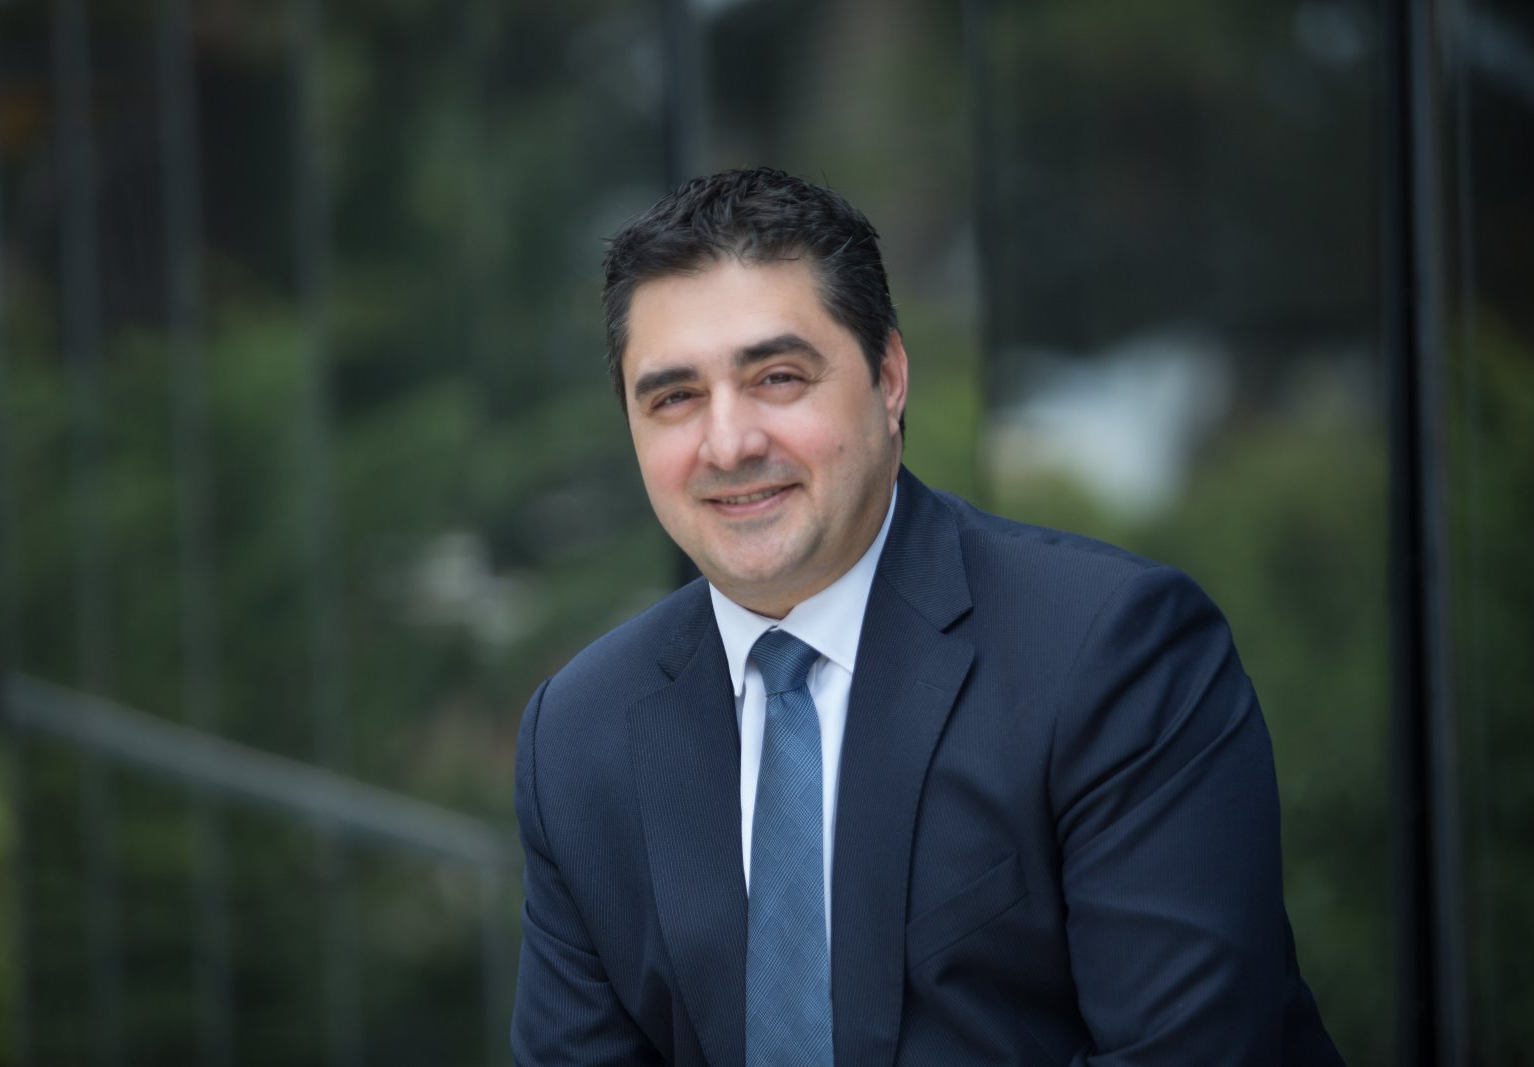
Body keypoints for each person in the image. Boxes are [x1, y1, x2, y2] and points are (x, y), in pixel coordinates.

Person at [511, 167, 1344, 1066]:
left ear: (890, 377)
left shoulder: (1107, 654)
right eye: (674, 398)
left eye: (778, 377)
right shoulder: (578, 738)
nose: (728, 442)